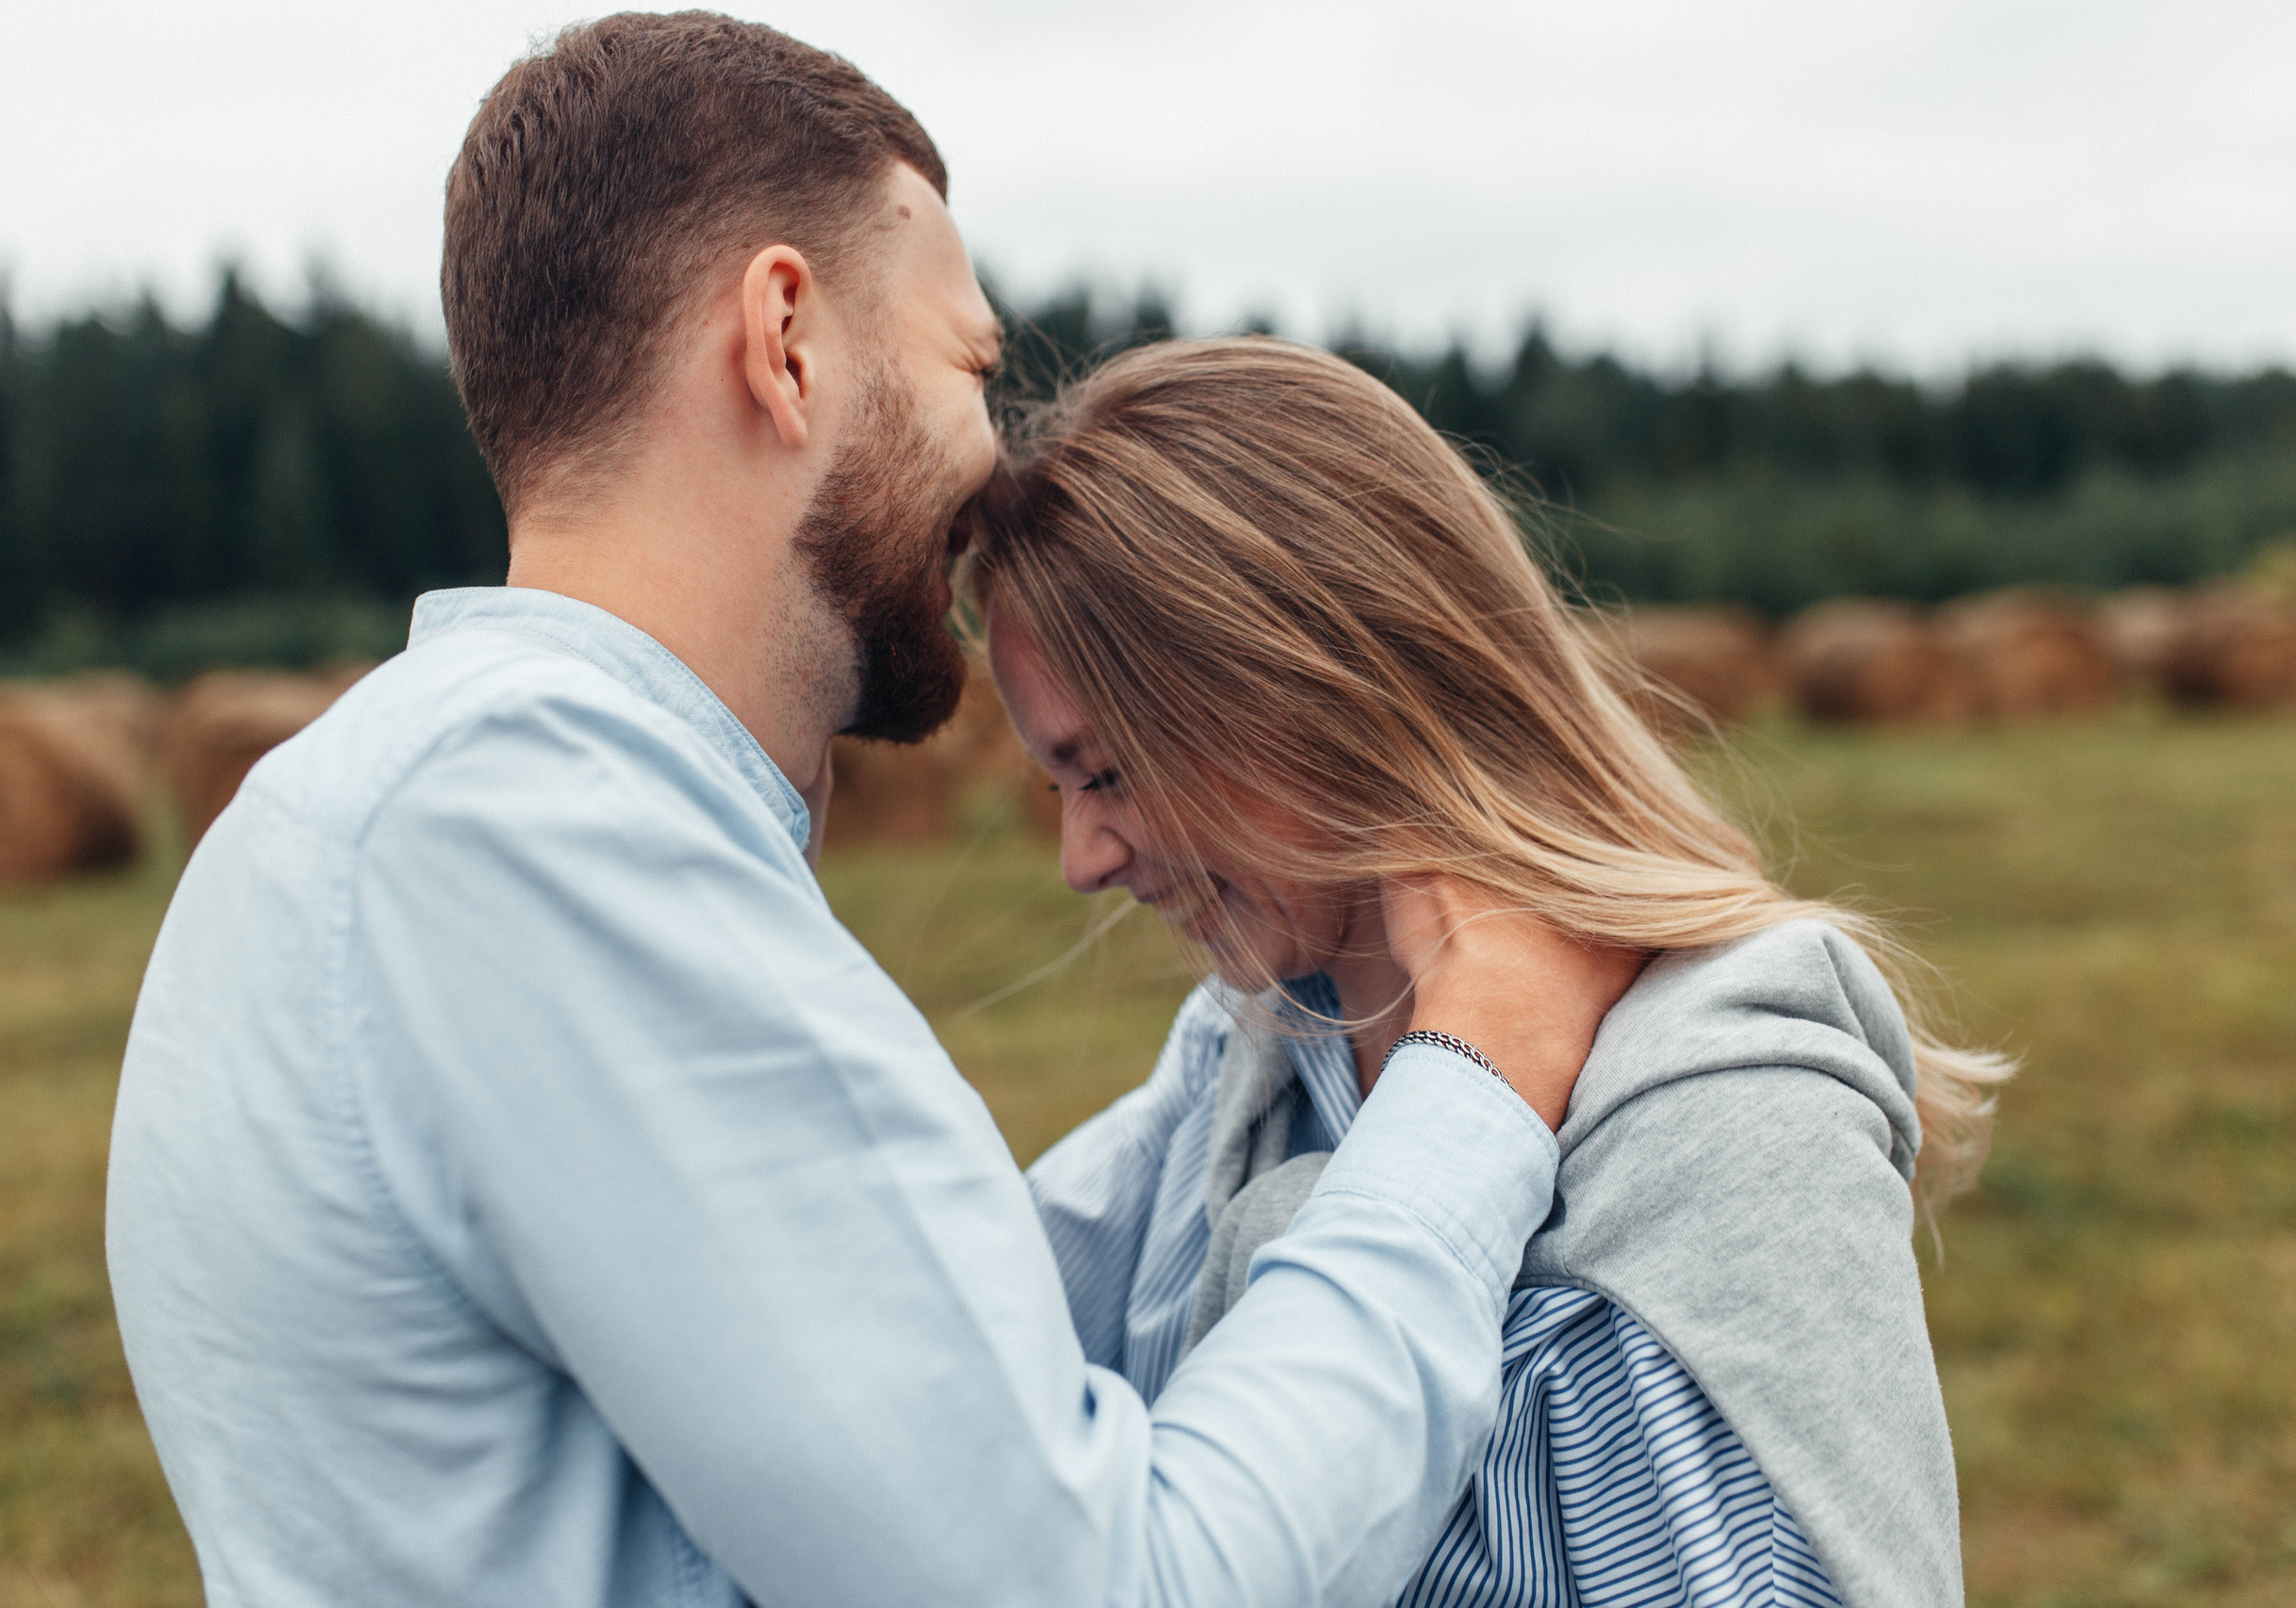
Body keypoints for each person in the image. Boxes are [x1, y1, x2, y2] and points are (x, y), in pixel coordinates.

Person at [104, 16, 1637, 1608]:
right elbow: (1099, 1584)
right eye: (970, 365)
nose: (995, 462)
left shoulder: (378, 810)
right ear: (786, 337)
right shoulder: (548, 843)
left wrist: (1235, 1080)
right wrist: (1472, 1085)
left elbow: (885, 1362)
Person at [969, 337, 2016, 1608]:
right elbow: (967, 1354)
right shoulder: (1256, 1045)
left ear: (1306, 690)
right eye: (1058, 783)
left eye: (1110, 771)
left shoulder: (1726, 1104)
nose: (1081, 858)